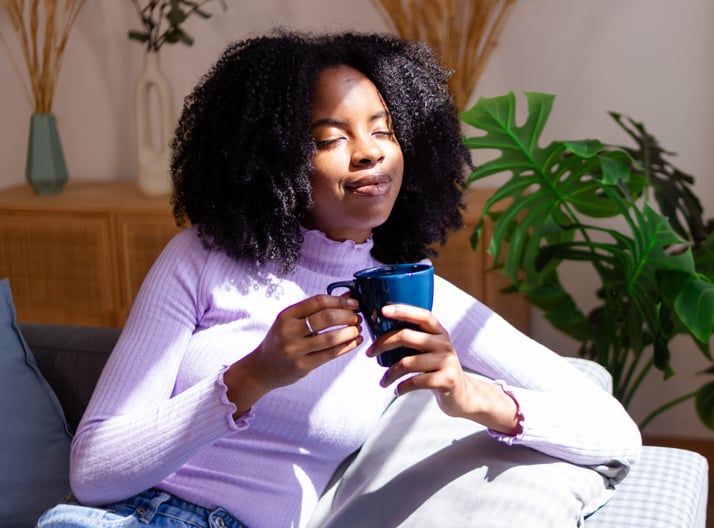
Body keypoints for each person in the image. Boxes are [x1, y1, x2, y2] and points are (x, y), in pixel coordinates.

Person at [38, 29, 641, 528]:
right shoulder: (200, 257)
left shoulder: (413, 298)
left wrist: (471, 396)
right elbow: (93, 473)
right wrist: (252, 376)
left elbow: (616, 433)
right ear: (273, 158)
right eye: (331, 138)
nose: (369, 153)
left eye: (384, 130)